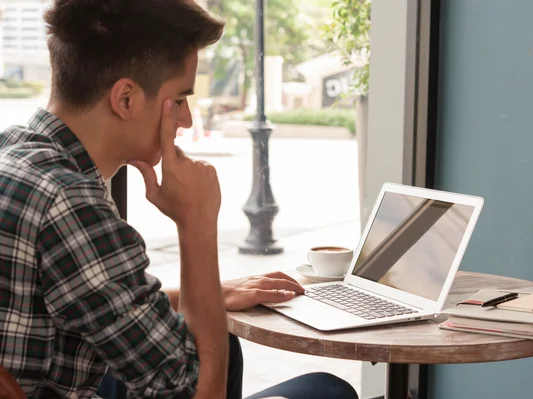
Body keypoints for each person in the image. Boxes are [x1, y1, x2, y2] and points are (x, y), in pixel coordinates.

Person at [0, 0, 358, 398]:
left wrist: (212, 292)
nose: (186, 120)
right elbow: (199, 392)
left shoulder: (15, 152)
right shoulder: (70, 205)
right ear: (126, 100)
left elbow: (83, 295)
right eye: (180, 99)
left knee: (218, 337)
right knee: (327, 390)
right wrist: (197, 224)